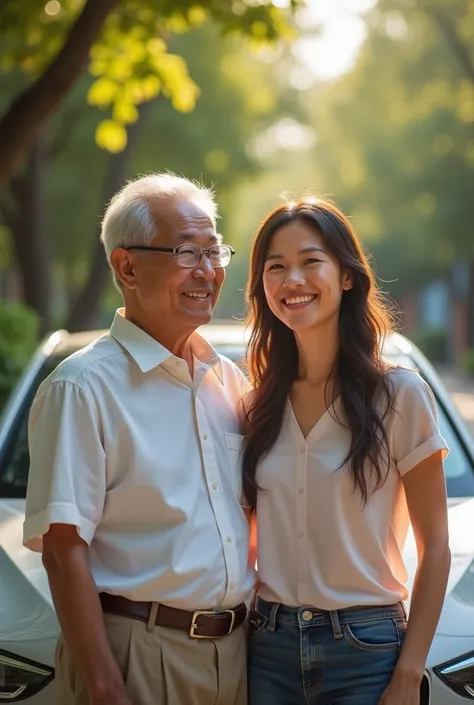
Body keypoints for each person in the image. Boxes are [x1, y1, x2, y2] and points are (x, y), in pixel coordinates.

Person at [23, 173, 255, 705]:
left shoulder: (229, 381)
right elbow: (63, 551)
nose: (209, 271)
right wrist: (105, 684)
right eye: (187, 252)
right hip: (140, 656)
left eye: (214, 251)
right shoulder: (81, 388)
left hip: (239, 655)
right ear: (127, 267)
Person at [242, 196, 451, 705]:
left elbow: (436, 549)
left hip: (367, 649)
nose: (293, 279)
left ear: (348, 276)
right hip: (267, 647)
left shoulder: (399, 394)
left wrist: (408, 673)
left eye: (310, 261)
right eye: (276, 267)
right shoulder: (255, 404)